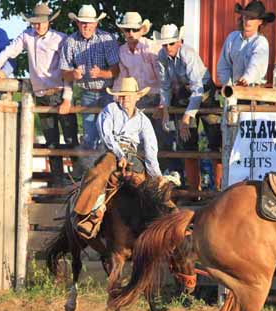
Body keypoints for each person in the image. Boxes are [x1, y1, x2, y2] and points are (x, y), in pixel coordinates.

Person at [0, 2, 79, 187]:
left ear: (49, 21)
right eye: (35, 22)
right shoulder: (27, 36)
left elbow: (68, 70)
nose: (38, 25)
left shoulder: (61, 39)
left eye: (41, 22)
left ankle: (78, 180)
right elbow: (9, 51)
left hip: (59, 93)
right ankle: (58, 181)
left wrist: (67, 97)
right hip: (42, 95)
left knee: (70, 139)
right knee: (51, 142)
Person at [73, 77, 161, 238]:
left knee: (148, 186)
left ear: (137, 97)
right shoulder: (110, 109)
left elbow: (150, 149)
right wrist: (119, 154)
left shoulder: (143, 120)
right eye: (121, 94)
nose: (124, 98)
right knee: (100, 172)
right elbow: (106, 135)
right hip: (111, 152)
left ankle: (154, 222)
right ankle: (91, 214)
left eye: (128, 94)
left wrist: (156, 175)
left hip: (133, 155)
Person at [155, 24, 222, 191]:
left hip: (204, 91)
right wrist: (165, 108)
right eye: (165, 44)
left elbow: (198, 87)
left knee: (216, 139)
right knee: (187, 142)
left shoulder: (188, 54)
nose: (168, 47)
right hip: (186, 91)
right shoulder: (161, 56)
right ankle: (194, 190)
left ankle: (219, 189)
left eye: (171, 43)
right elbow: (165, 85)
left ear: (179, 42)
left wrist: (187, 115)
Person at [60, 4, 120, 172]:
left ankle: (106, 174)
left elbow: (116, 70)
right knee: (89, 136)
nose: (85, 26)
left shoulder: (106, 39)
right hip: (87, 93)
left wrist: (101, 73)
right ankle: (89, 174)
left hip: (108, 92)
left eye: (89, 23)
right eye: (82, 23)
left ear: (96, 24)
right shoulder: (70, 41)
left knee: (108, 134)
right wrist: (73, 74)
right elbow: (64, 73)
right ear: (77, 23)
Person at [114, 13, 174, 174]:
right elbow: (123, 76)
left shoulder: (152, 48)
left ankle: (166, 174)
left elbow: (163, 78)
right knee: (138, 140)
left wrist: (163, 102)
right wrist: (117, 98)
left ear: (142, 30)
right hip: (137, 99)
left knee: (162, 138)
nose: (131, 33)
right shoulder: (122, 51)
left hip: (156, 97)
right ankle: (143, 175)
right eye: (127, 30)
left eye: (134, 29)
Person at [217, 1, 274, 87]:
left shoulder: (261, 42)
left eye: (252, 18)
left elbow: (256, 64)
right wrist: (228, 86)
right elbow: (223, 65)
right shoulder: (232, 38)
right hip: (234, 91)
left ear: (260, 22)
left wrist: (246, 78)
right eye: (246, 17)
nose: (248, 21)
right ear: (242, 17)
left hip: (254, 93)